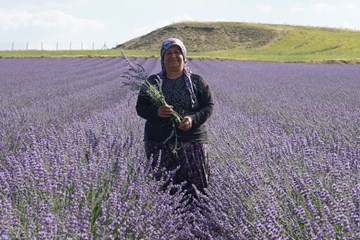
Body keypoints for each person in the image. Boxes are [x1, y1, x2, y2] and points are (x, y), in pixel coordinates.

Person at [136, 38, 214, 203]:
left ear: (184, 56)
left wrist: (192, 120)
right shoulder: (152, 83)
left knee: (198, 190)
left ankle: (201, 225)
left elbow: (208, 106)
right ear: (163, 58)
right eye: (168, 53)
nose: (173, 56)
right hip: (159, 143)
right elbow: (140, 108)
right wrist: (156, 111)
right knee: (164, 189)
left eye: (177, 52)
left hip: (192, 142)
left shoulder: (197, 82)